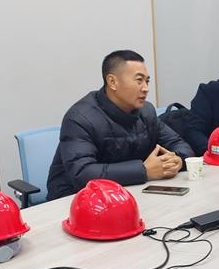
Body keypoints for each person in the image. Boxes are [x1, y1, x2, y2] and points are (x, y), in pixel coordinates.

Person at [46, 50, 193, 201]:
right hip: (74, 199)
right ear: (112, 82)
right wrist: (144, 171)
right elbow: (82, 173)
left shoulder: (146, 111)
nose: (145, 88)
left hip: (128, 191)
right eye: (139, 80)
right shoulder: (80, 118)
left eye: (147, 81)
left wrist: (176, 160)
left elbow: (180, 145)